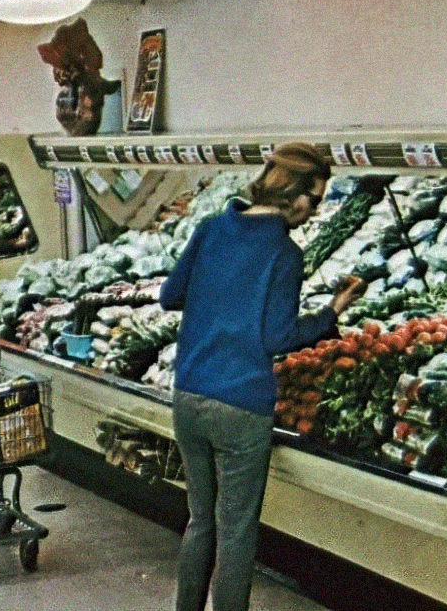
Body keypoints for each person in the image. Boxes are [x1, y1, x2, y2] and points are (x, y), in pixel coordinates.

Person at [160, 143, 364, 611]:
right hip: (240, 405)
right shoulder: (283, 252)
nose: (313, 212)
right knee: (235, 533)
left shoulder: (211, 228)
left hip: (188, 393)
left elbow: (171, 295)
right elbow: (278, 336)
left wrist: (218, 300)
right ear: (292, 192)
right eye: (314, 200)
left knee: (200, 522)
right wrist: (331, 312)